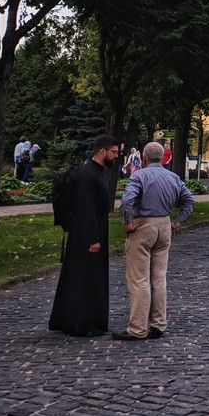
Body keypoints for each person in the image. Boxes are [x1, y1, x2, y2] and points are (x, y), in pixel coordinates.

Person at [113, 141, 195, 340]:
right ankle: (158, 324)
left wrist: (128, 223)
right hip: (164, 225)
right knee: (159, 278)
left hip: (143, 226)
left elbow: (127, 201)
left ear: (144, 158)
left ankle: (138, 328)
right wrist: (178, 221)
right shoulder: (173, 177)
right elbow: (189, 200)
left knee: (139, 279)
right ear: (162, 157)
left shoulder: (140, 175)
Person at [49, 134, 119, 337]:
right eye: (113, 152)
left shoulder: (97, 172)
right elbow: (85, 208)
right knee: (84, 278)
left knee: (90, 277)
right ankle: (82, 323)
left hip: (94, 230)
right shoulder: (88, 174)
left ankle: (86, 320)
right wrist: (92, 238)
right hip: (87, 234)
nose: (116, 156)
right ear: (102, 151)